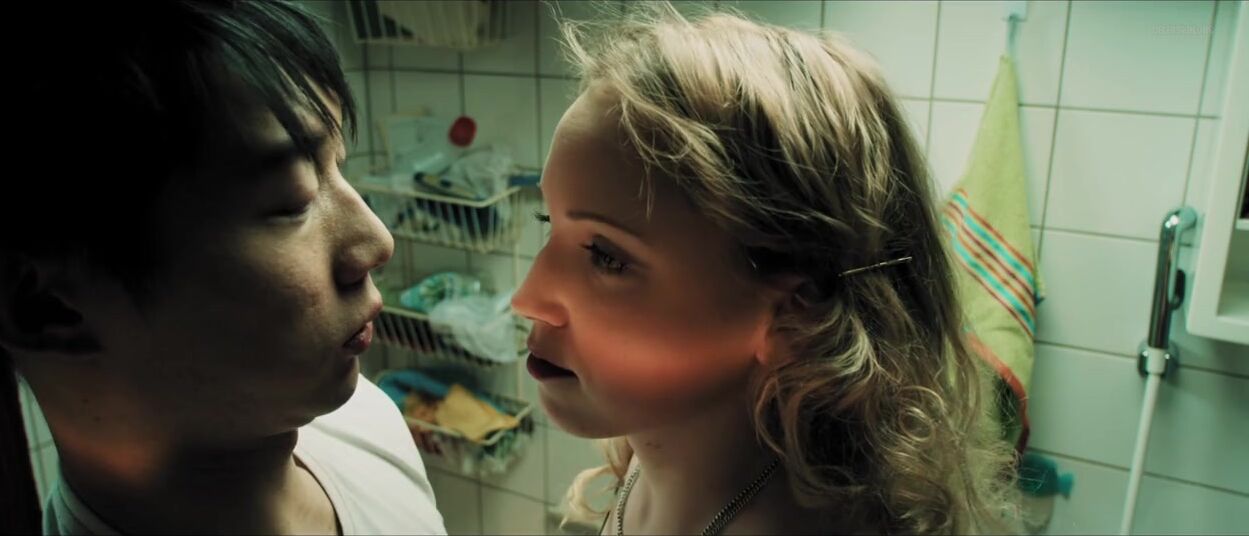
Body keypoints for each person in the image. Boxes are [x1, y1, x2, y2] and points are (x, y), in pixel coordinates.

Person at [511, 3, 1019, 534]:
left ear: (794, 317)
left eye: (606, 256)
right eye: (549, 221)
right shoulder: (663, 457)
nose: (526, 297)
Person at [0, 1, 445, 534]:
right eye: (291, 200)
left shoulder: (363, 420)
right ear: (46, 307)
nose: (376, 242)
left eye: (337, 168)